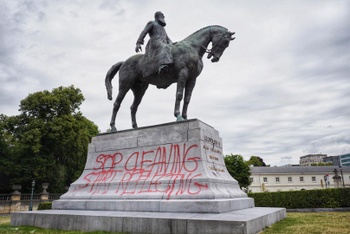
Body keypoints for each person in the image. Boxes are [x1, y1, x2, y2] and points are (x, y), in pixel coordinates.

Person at [135, 11, 173, 77]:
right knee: (164, 47)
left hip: (163, 43)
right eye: (162, 15)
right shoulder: (152, 23)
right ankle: (162, 65)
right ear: (157, 16)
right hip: (155, 43)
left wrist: (172, 43)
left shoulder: (163, 28)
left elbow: (167, 38)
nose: (164, 16)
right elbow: (144, 32)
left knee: (171, 48)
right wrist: (139, 43)